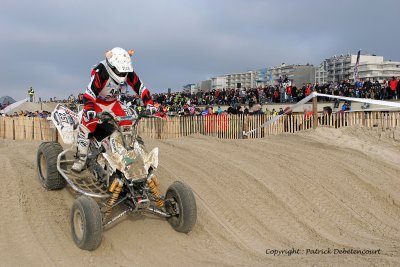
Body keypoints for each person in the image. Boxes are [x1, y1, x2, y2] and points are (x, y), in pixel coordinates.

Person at [72, 47, 154, 172]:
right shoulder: (101, 70)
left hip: (113, 103)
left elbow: (140, 87)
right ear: (111, 65)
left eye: (124, 72)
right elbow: (89, 93)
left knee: (127, 124)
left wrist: (150, 104)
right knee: (87, 125)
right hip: (97, 103)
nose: (122, 75)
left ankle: (127, 155)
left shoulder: (127, 70)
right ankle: (81, 158)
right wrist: (89, 109)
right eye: (119, 72)